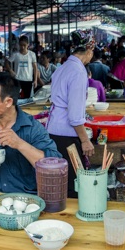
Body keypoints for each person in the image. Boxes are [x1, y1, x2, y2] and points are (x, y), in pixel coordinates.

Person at [46, 30, 96, 198]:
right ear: (89, 51)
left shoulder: (63, 68)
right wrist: (85, 140)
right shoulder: (78, 72)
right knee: (73, 182)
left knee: (60, 178)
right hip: (67, 135)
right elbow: (74, 116)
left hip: (53, 129)